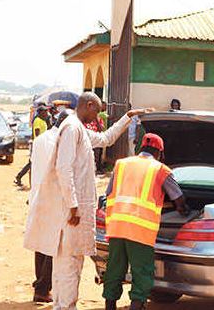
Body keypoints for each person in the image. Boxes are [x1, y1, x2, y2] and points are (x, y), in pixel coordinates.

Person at [24, 92, 148, 310]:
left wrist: (127, 117)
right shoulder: (72, 128)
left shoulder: (79, 128)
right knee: (70, 265)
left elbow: (105, 139)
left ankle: (62, 306)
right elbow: (64, 169)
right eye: (96, 111)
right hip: (73, 211)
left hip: (75, 210)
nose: (97, 117)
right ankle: (66, 306)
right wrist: (73, 206)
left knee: (66, 265)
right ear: (89, 105)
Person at [103, 133, 190, 310]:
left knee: (114, 270)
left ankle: (110, 306)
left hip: (117, 227)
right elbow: (179, 201)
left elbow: (109, 193)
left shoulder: (121, 164)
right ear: (160, 152)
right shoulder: (160, 169)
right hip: (140, 230)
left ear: (141, 147)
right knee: (141, 272)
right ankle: (136, 306)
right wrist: (184, 210)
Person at [23, 109, 74, 303]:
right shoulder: (60, 142)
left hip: (37, 195)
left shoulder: (40, 139)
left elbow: (32, 166)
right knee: (53, 246)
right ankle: (43, 288)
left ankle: (40, 284)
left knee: (40, 243)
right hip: (53, 198)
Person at [15, 106, 50, 186]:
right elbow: (37, 133)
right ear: (40, 112)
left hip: (42, 145)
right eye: (45, 111)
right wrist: (40, 145)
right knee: (32, 163)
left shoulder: (43, 121)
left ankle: (19, 177)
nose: (46, 113)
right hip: (39, 145)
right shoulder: (37, 121)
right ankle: (19, 177)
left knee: (32, 162)